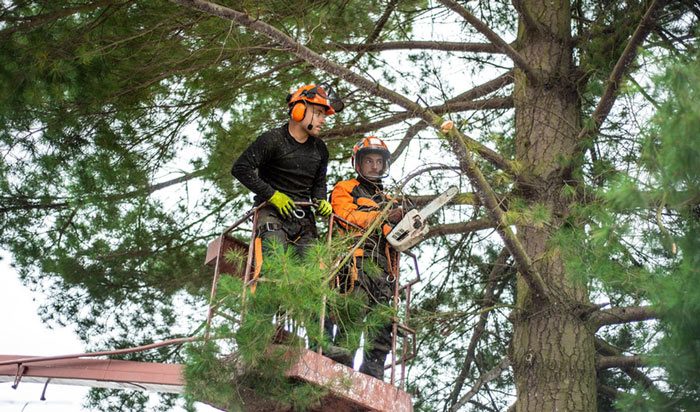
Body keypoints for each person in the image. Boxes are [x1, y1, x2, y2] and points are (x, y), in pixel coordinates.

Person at [232, 83, 343, 258]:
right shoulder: (272, 140)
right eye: (319, 113)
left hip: (304, 220)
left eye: (324, 115)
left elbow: (319, 183)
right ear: (299, 110)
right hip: (270, 214)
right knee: (274, 265)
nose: (323, 120)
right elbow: (240, 168)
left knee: (310, 274)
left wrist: (320, 200)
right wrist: (272, 195)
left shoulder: (320, 149)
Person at [329, 136, 405, 380]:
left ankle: (372, 377)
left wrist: (403, 221)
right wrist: (381, 216)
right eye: (369, 160)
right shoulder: (346, 188)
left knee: (382, 331)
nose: (374, 166)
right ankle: (338, 373)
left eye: (379, 161)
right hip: (358, 262)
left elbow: (398, 240)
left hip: (387, 273)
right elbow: (344, 215)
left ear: (385, 165)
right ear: (358, 163)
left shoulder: (388, 199)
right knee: (352, 316)